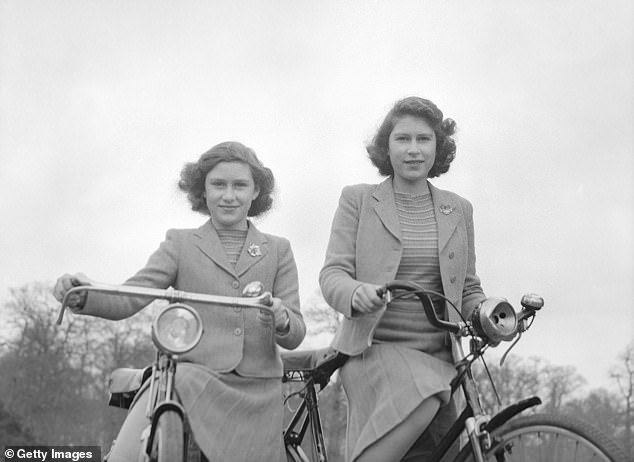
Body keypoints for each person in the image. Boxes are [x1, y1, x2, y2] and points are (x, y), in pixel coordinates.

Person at [53, 141, 306, 462]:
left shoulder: (278, 249)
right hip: (196, 381)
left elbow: (296, 333)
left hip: (260, 392)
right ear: (203, 190)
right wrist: (81, 293)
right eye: (218, 185)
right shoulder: (180, 243)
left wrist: (281, 318)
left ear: (256, 191)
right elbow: (131, 297)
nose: (229, 195)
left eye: (240, 185)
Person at [319, 96, 487, 461]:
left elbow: (467, 288)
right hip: (373, 351)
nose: (414, 150)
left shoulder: (459, 208)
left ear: (438, 147)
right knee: (427, 389)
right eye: (403, 139)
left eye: (424, 140)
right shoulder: (359, 200)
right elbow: (333, 275)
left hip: (442, 358)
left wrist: (489, 312)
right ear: (387, 146)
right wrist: (356, 293)